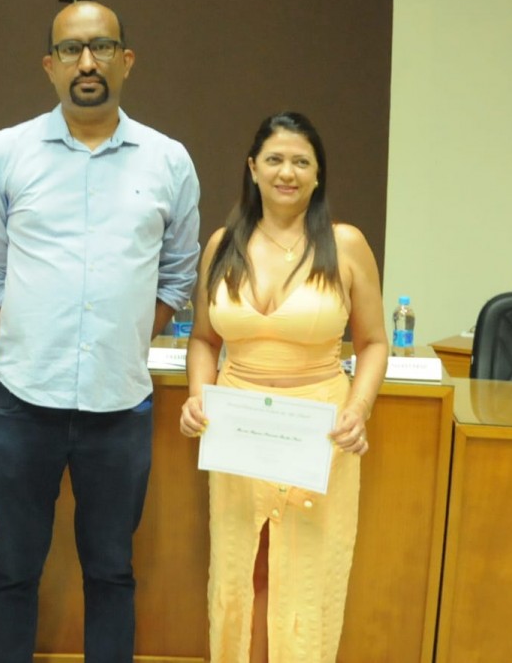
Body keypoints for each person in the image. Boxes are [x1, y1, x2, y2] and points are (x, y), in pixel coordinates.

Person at [0, 0, 201, 661]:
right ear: (50, 66)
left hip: (118, 405)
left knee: (112, 573)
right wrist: (38, 333)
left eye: (101, 47)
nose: (87, 62)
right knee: (12, 571)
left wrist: (120, 337)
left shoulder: (169, 160)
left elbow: (177, 277)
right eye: (71, 50)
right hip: (24, 402)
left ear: (127, 60)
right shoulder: (4, 153)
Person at [179, 111, 388, 662]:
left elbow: (373, 343)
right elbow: (203, 339)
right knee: (242, 569)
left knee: (305, 575)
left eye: (301, 162)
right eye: (274, 159)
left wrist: (359, 409)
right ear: (253, 168)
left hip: (318, 430)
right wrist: (198, 395)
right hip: (238, 430)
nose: (287, 172)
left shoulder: (345, 244)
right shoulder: (223, 244)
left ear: (318, 175)